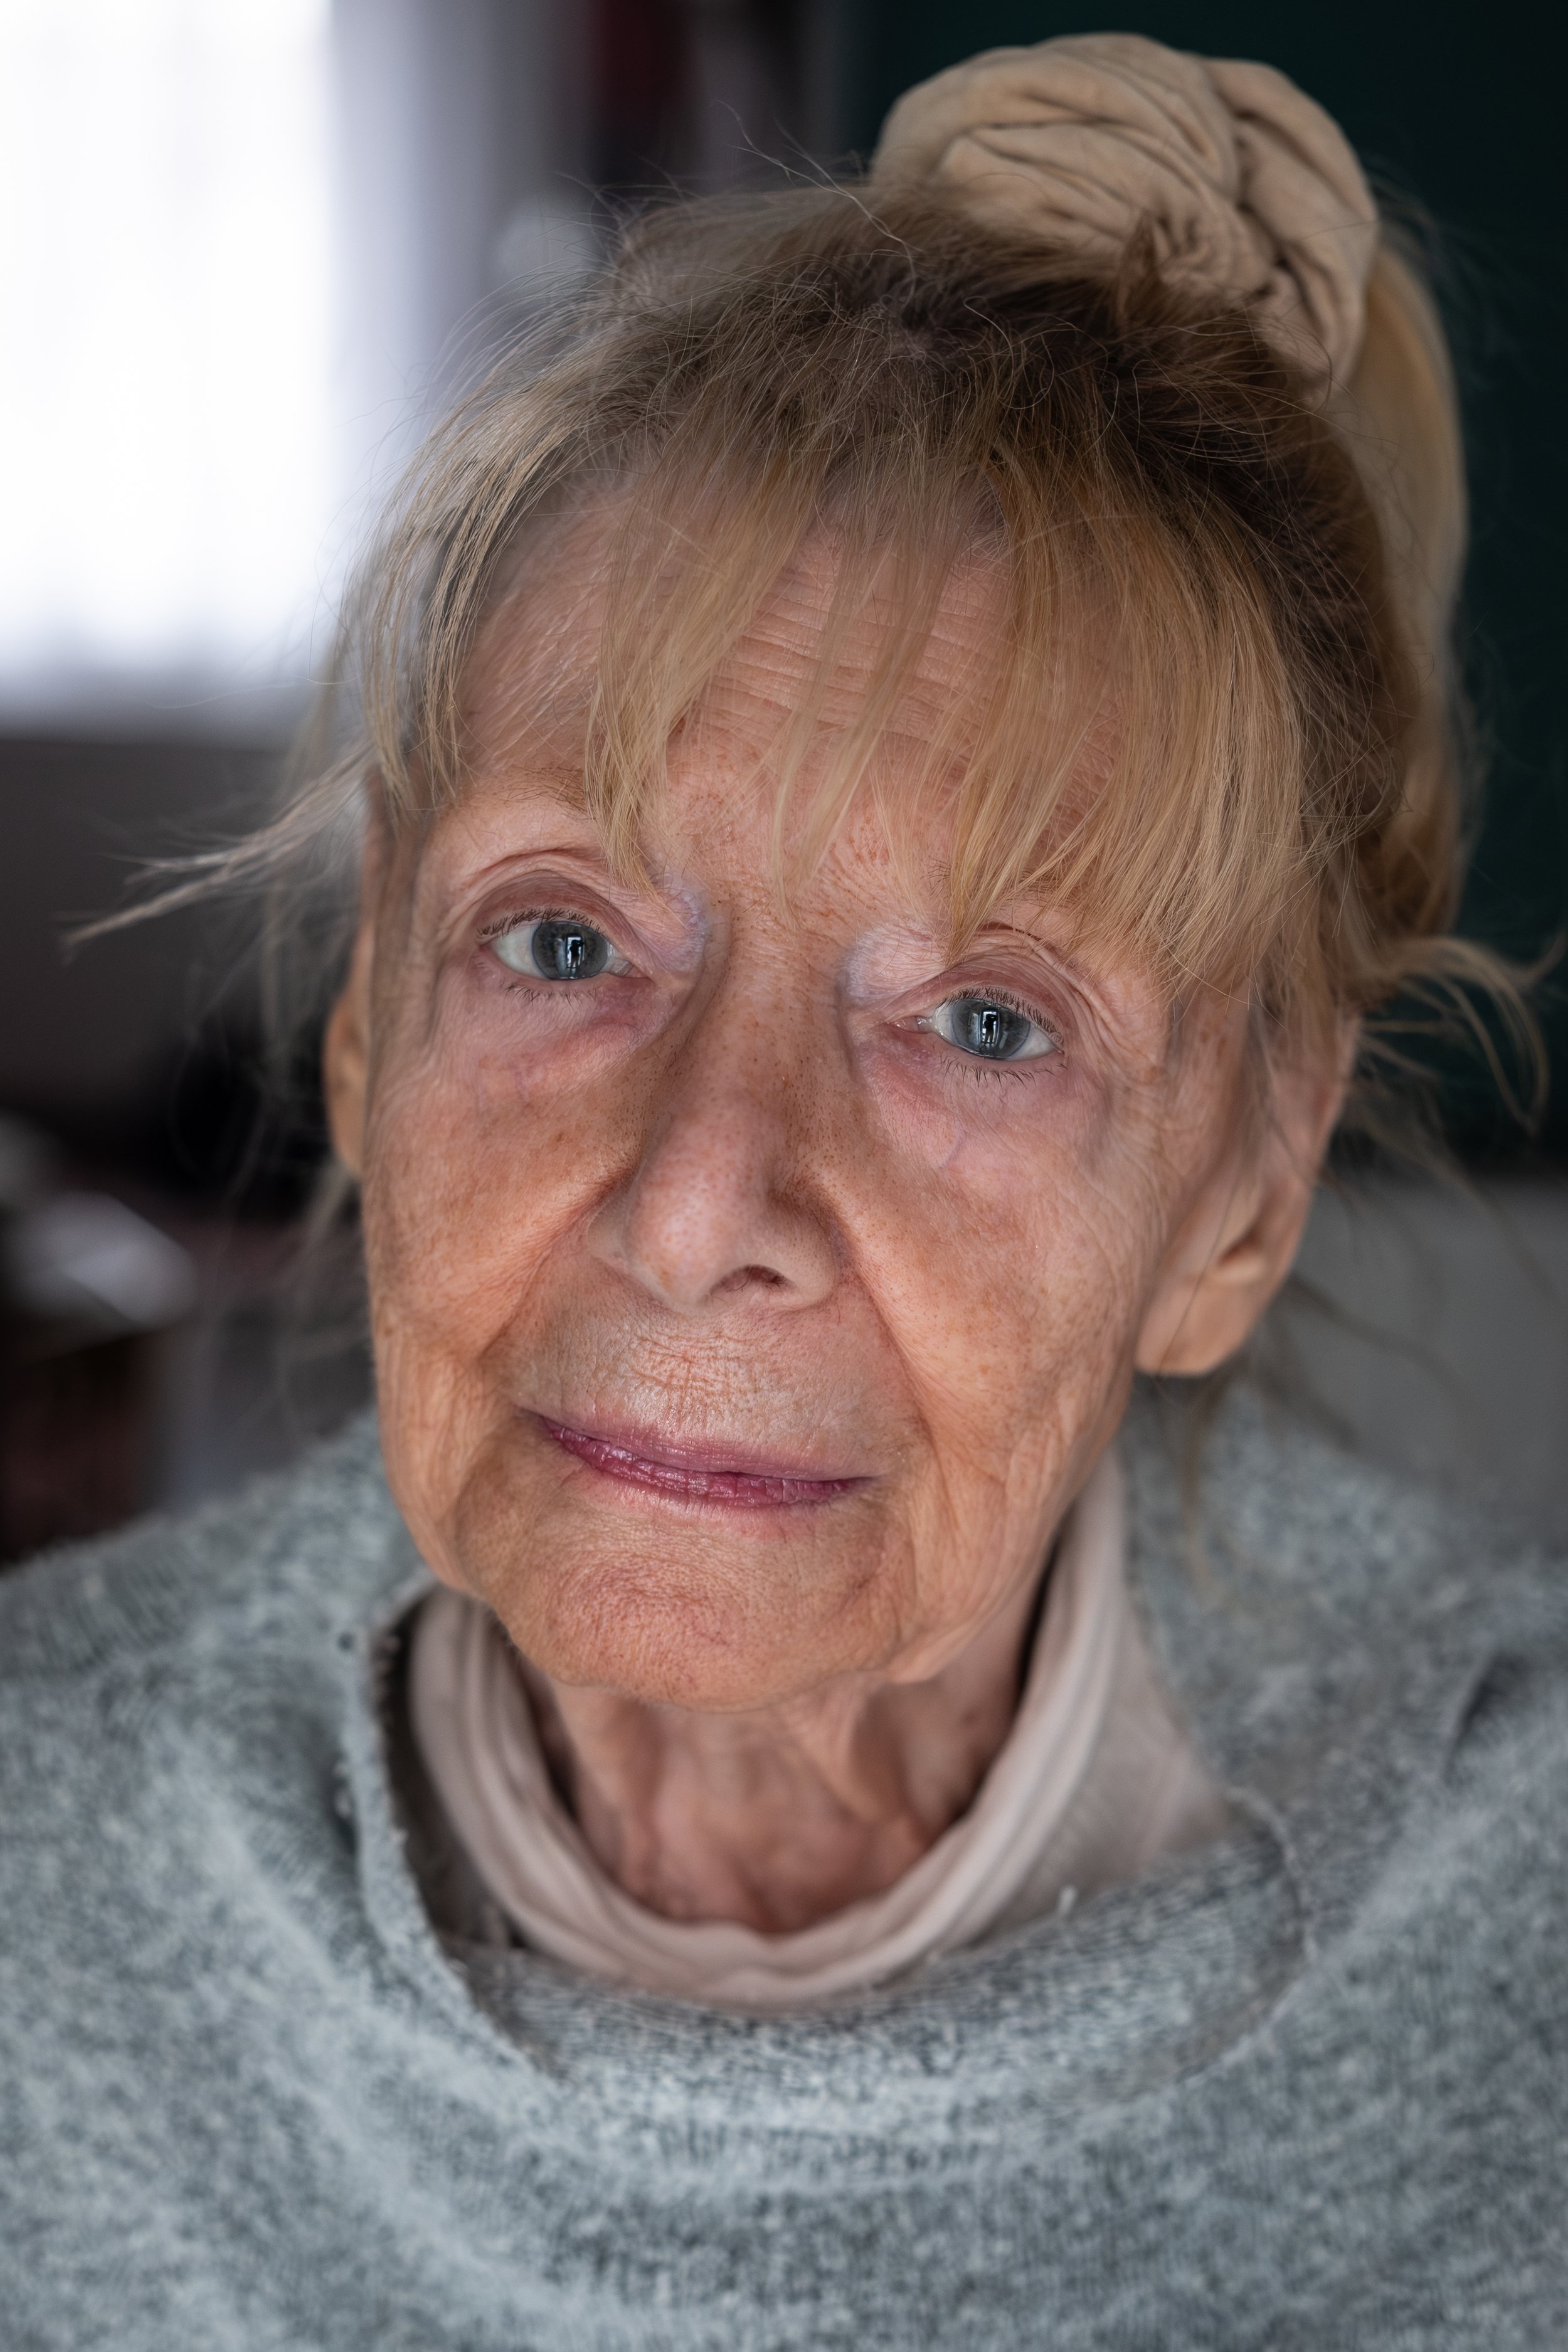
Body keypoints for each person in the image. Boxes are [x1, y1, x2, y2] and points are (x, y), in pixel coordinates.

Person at [3, 33, 1564, 2348]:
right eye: (559, 942)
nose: (697, 1198)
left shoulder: (1522, 1930)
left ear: (1237, 1196)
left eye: (988, 1021)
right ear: (361, 1041)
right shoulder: (46, 1858)